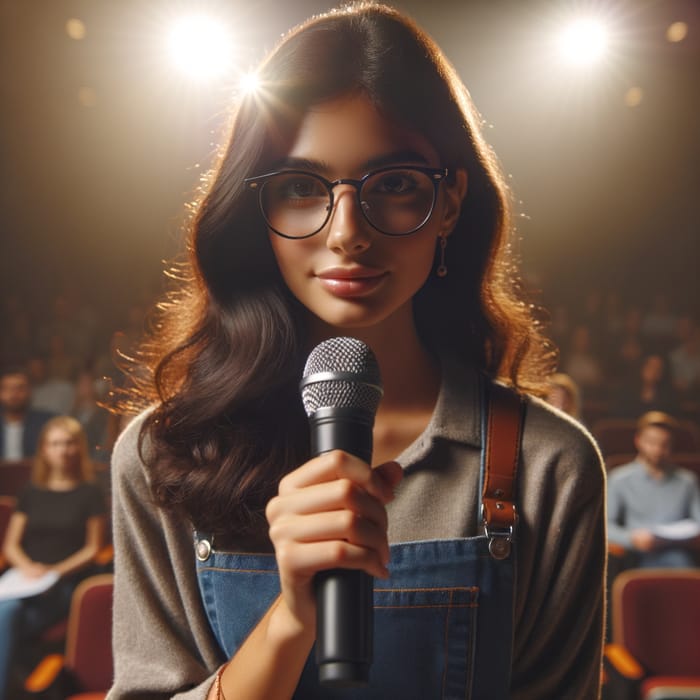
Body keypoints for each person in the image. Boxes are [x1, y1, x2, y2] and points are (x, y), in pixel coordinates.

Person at [108, 4, 606, 699]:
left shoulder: (548, 465)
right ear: (260, 212)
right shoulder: (162, 454)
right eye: (302, 188)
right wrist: (290, 621)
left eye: (396, 184)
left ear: (451, 202)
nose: (347, 233)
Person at [0, 415, 106, 699]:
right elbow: (11, 545)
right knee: (8, 611)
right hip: (24, 579)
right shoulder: (31, 491)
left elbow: (92, 548)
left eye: (70, 443)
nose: (63, 450)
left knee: (7, 614)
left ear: (79, 447)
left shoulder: (90, 492)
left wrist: (54, 572)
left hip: (63, 583)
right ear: (45, 449)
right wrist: (29, 568)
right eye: (56, 443)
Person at [607, 411, 700, 568]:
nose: (657, 449)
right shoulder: (619, 479)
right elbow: (606, 526)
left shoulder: (687, 481)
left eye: (664, 444)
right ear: (638, 441)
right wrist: (631, 538)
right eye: (652, 442)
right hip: (636, 555)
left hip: (679, 553)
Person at [0, 366, 55, 461]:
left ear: (30, 391)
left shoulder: (46, 423)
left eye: (19, 388)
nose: (14, 394)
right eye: (7, 388)